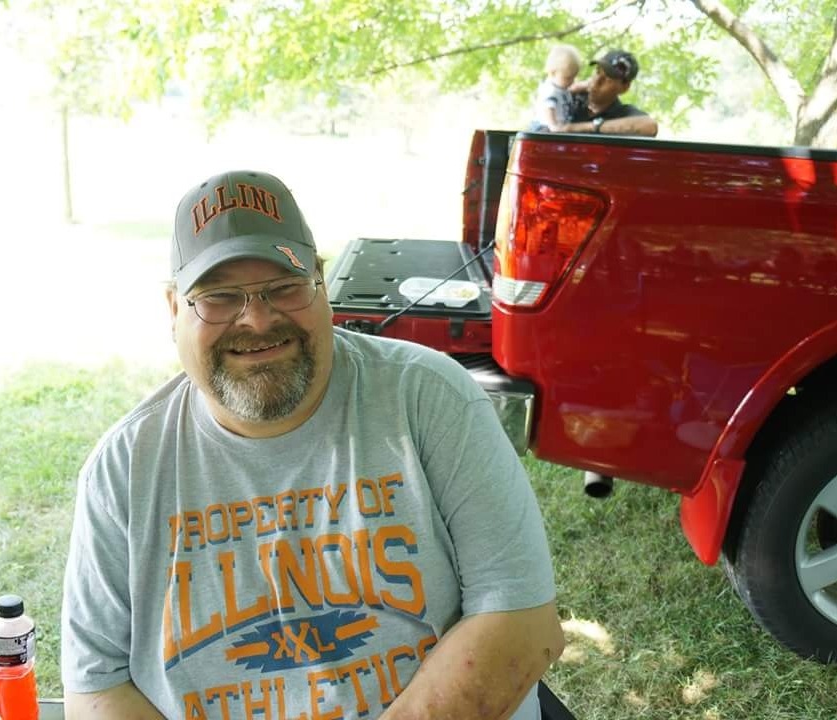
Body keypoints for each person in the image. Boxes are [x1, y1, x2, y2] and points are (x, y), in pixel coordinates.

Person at [60, 169, 565, 720]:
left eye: (285, 287)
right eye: (219, 297)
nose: (258, 319)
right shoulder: (124, 468)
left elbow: (521, 620)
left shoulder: (428, 399)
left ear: (321, 283)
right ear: (174, 309)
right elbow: (96, 686)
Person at [552, 49, 658, 137]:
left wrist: (585, 127)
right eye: (597, 72)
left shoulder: (623, 114)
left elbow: (650, 126)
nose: (597, 81)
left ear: (624, 88)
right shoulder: (571, 96)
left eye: (608, 79)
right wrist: (566, 90)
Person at [527, 44, 584, 132]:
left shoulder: (562, 87)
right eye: (568, 78)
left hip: (559, 125)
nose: (572, 81)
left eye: (574, 77)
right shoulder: (550, 90)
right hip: (544, 127)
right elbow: (548, 108)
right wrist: (553, 125)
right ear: (552, 73)